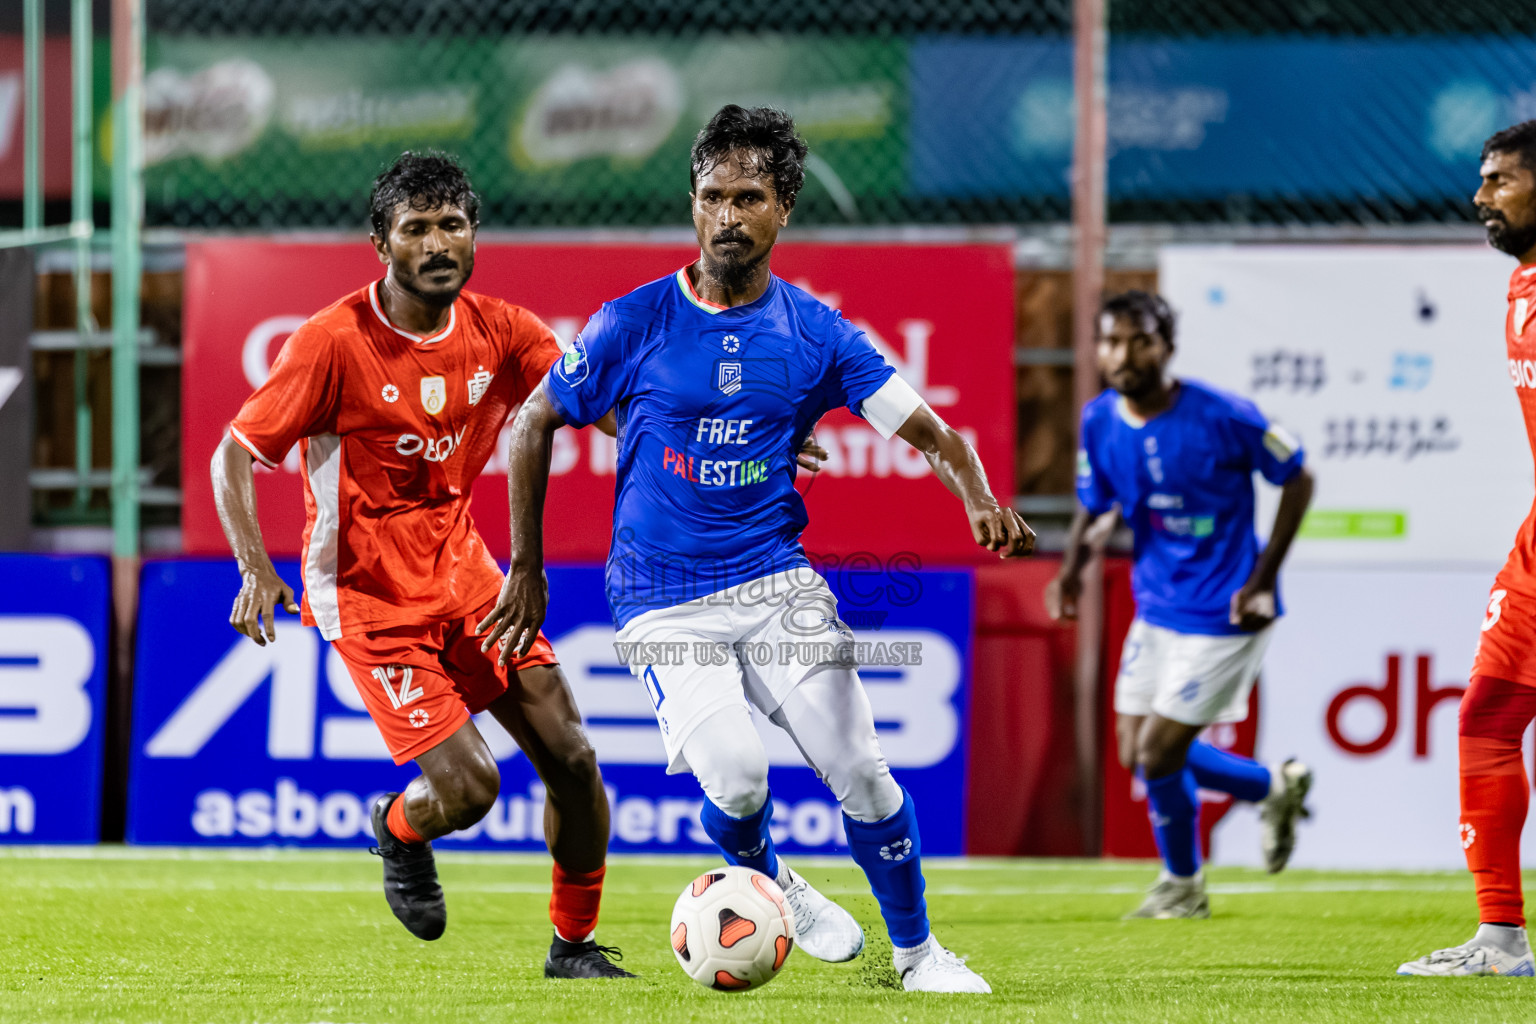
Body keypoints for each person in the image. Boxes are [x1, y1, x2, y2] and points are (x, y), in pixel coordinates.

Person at [476, 105, 1033, 994]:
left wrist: (979, 498)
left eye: (749, 197)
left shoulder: (818, 333)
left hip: (775, 580)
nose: (727, 215)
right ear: (692, 204)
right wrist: (528, 567)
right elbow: (534, 421)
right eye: (711, 197)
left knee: (862, 770)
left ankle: (920, 955)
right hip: (660, 593)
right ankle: (771, 877)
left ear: (784, 210)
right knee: (736, 781)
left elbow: (930, 430)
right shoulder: (636, 319)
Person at [210, 151, 634, 979]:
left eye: (452, 224)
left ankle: (574, 948)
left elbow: (600, 406)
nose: (438, 242)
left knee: (575, 762)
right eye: (416, 228)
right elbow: (233, 456)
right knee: (472, 793)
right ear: (382, 243)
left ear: (474, 234)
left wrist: (718, 437)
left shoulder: (504, 330)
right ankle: (398, 830)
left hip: (467, 575)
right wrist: (255, 567)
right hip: (367, 598)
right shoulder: (329, 344)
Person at [1045, 290, 1315, 919]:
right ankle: (1273, 786)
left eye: (1140, 340)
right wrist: (1071, 573)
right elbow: (1096, 503)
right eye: (1112, 340)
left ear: (1166, 347)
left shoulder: (1224, 415)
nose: (1125, 353)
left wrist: (1265, 578)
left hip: (1227, 611)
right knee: (1133, 750)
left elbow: (1297, 477)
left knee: (1159, 753)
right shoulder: (1099, 420)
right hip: (1158, 605)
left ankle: (1183, 887)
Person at [1399, 120, 1536, 978]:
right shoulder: (1523, 283)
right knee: (1486, 713)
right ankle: (1500, 941)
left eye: (1499, 181)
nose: (1480, 197)